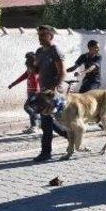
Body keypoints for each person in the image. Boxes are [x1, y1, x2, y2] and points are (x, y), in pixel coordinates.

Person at [33, 25, 68, 162]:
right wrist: (33, 67)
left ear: (50, 36)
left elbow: (62, 72)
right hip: (43, 92)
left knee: (46, 123)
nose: (40, 38)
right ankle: (69, 135)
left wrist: (53, 88)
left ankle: (46, 152)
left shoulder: (55, 51)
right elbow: (37, 70)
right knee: (48, 121)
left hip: (53, 93)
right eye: (39, 35)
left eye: (43, 35)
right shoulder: (39, 51)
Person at [8, 52, 40, 134]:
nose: (26, 63)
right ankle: (34, 126)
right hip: (30, 92)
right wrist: (13, 84)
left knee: (27, 107)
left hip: (35, 92)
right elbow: (21, 78)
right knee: (32, 109)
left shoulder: (37, 71)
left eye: (28, 61)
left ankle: (37, 119)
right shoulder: (29, 71)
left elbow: (40, 80)